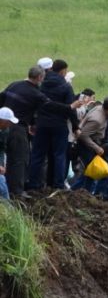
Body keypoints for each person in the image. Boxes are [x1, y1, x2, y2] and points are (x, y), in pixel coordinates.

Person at [0, 65, 80, 199]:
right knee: (20, 159)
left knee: (5, 157)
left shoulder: (14, 85)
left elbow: (1, 98)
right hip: (18, 128)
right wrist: (70, 107)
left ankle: (7, 188)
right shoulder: (35, 93)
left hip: (4, 124)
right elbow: (51, 106)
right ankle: (17, 192)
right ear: (39, 78)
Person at [27, 59, 80, 192]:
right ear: (62, 71)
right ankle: (57, 185)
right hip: (59, 124)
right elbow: (71, 109)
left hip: (42, 123)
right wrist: (75, 127)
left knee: (38, 154)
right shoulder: (66, 86)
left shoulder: (41, 84)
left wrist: (33, 122)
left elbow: (34, 103)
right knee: (59, 155)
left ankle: (33, 184)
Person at [0, 107, 19, 201]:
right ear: (2, 120)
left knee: (2, 179)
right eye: (8, 121)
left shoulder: (5, 131)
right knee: (2, 185)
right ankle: (8, 208)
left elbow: (2, 149)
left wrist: (2, 164)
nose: (10, 124)